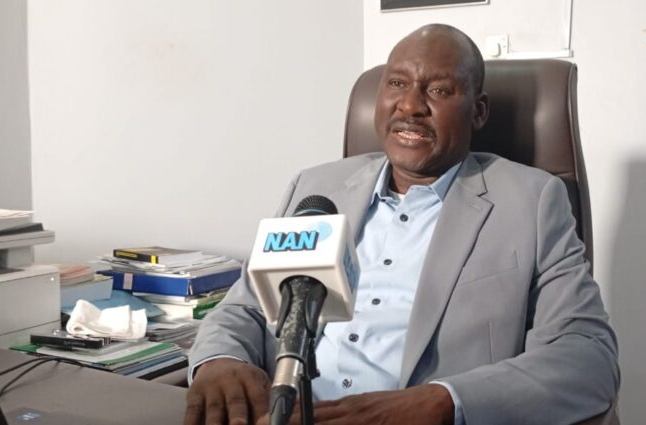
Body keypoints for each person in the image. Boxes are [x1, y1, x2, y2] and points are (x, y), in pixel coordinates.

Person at [184, 24, 619, 425]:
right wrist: (220, 359)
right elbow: (244, 308)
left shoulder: (531, 202)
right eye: (396, 84)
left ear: (478, 111)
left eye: (439, 90)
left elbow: (588, 357)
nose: (410, 106)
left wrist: (442, 402)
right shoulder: (316, 188)